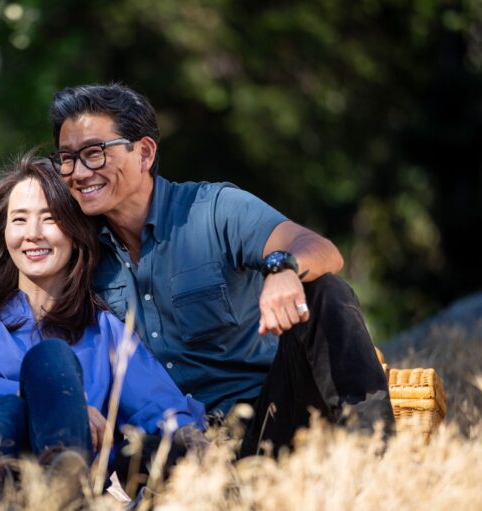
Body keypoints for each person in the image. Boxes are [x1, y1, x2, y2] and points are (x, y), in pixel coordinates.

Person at [47, 83, 395, 457]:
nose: (78, 173)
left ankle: (374, 456)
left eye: (94, 153)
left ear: (144, 153)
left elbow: (320, 250)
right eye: (67, 158)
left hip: (271, 421)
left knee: (324, 291)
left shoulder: (213, 209)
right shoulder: (78, 252)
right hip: (170, 446)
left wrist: (282, 268)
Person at [0, 150, 205, 504]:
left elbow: (160, 408)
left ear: (76, 232)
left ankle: (60, 486)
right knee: (22, 395)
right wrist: (66, 409)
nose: (33, 234)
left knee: (53, 359)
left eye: (50, 219)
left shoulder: (104, 331)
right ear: (4, 232)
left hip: (44, 481)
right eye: (20, 220)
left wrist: (187, 442)